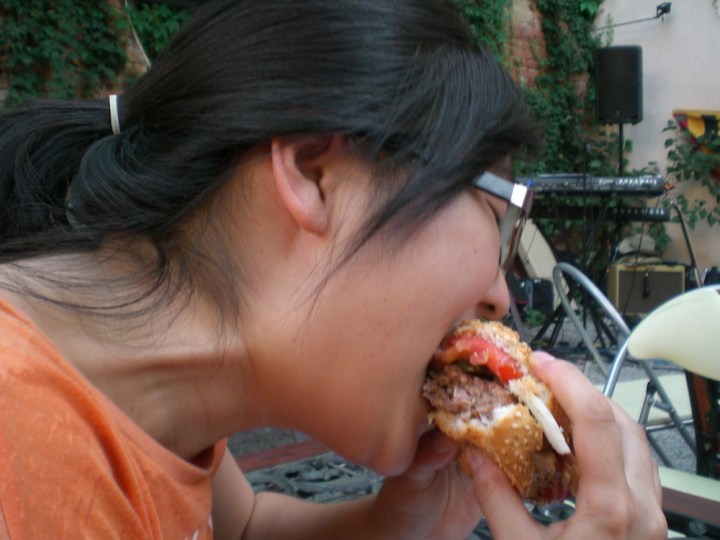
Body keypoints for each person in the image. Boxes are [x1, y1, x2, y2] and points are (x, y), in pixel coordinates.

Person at [0, 0, 666, 538]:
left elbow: (243, 528)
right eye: (495, 213)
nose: (499, 296)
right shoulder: (27, 455)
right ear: (317, 174)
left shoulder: (158, 406)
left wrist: (393, 528)